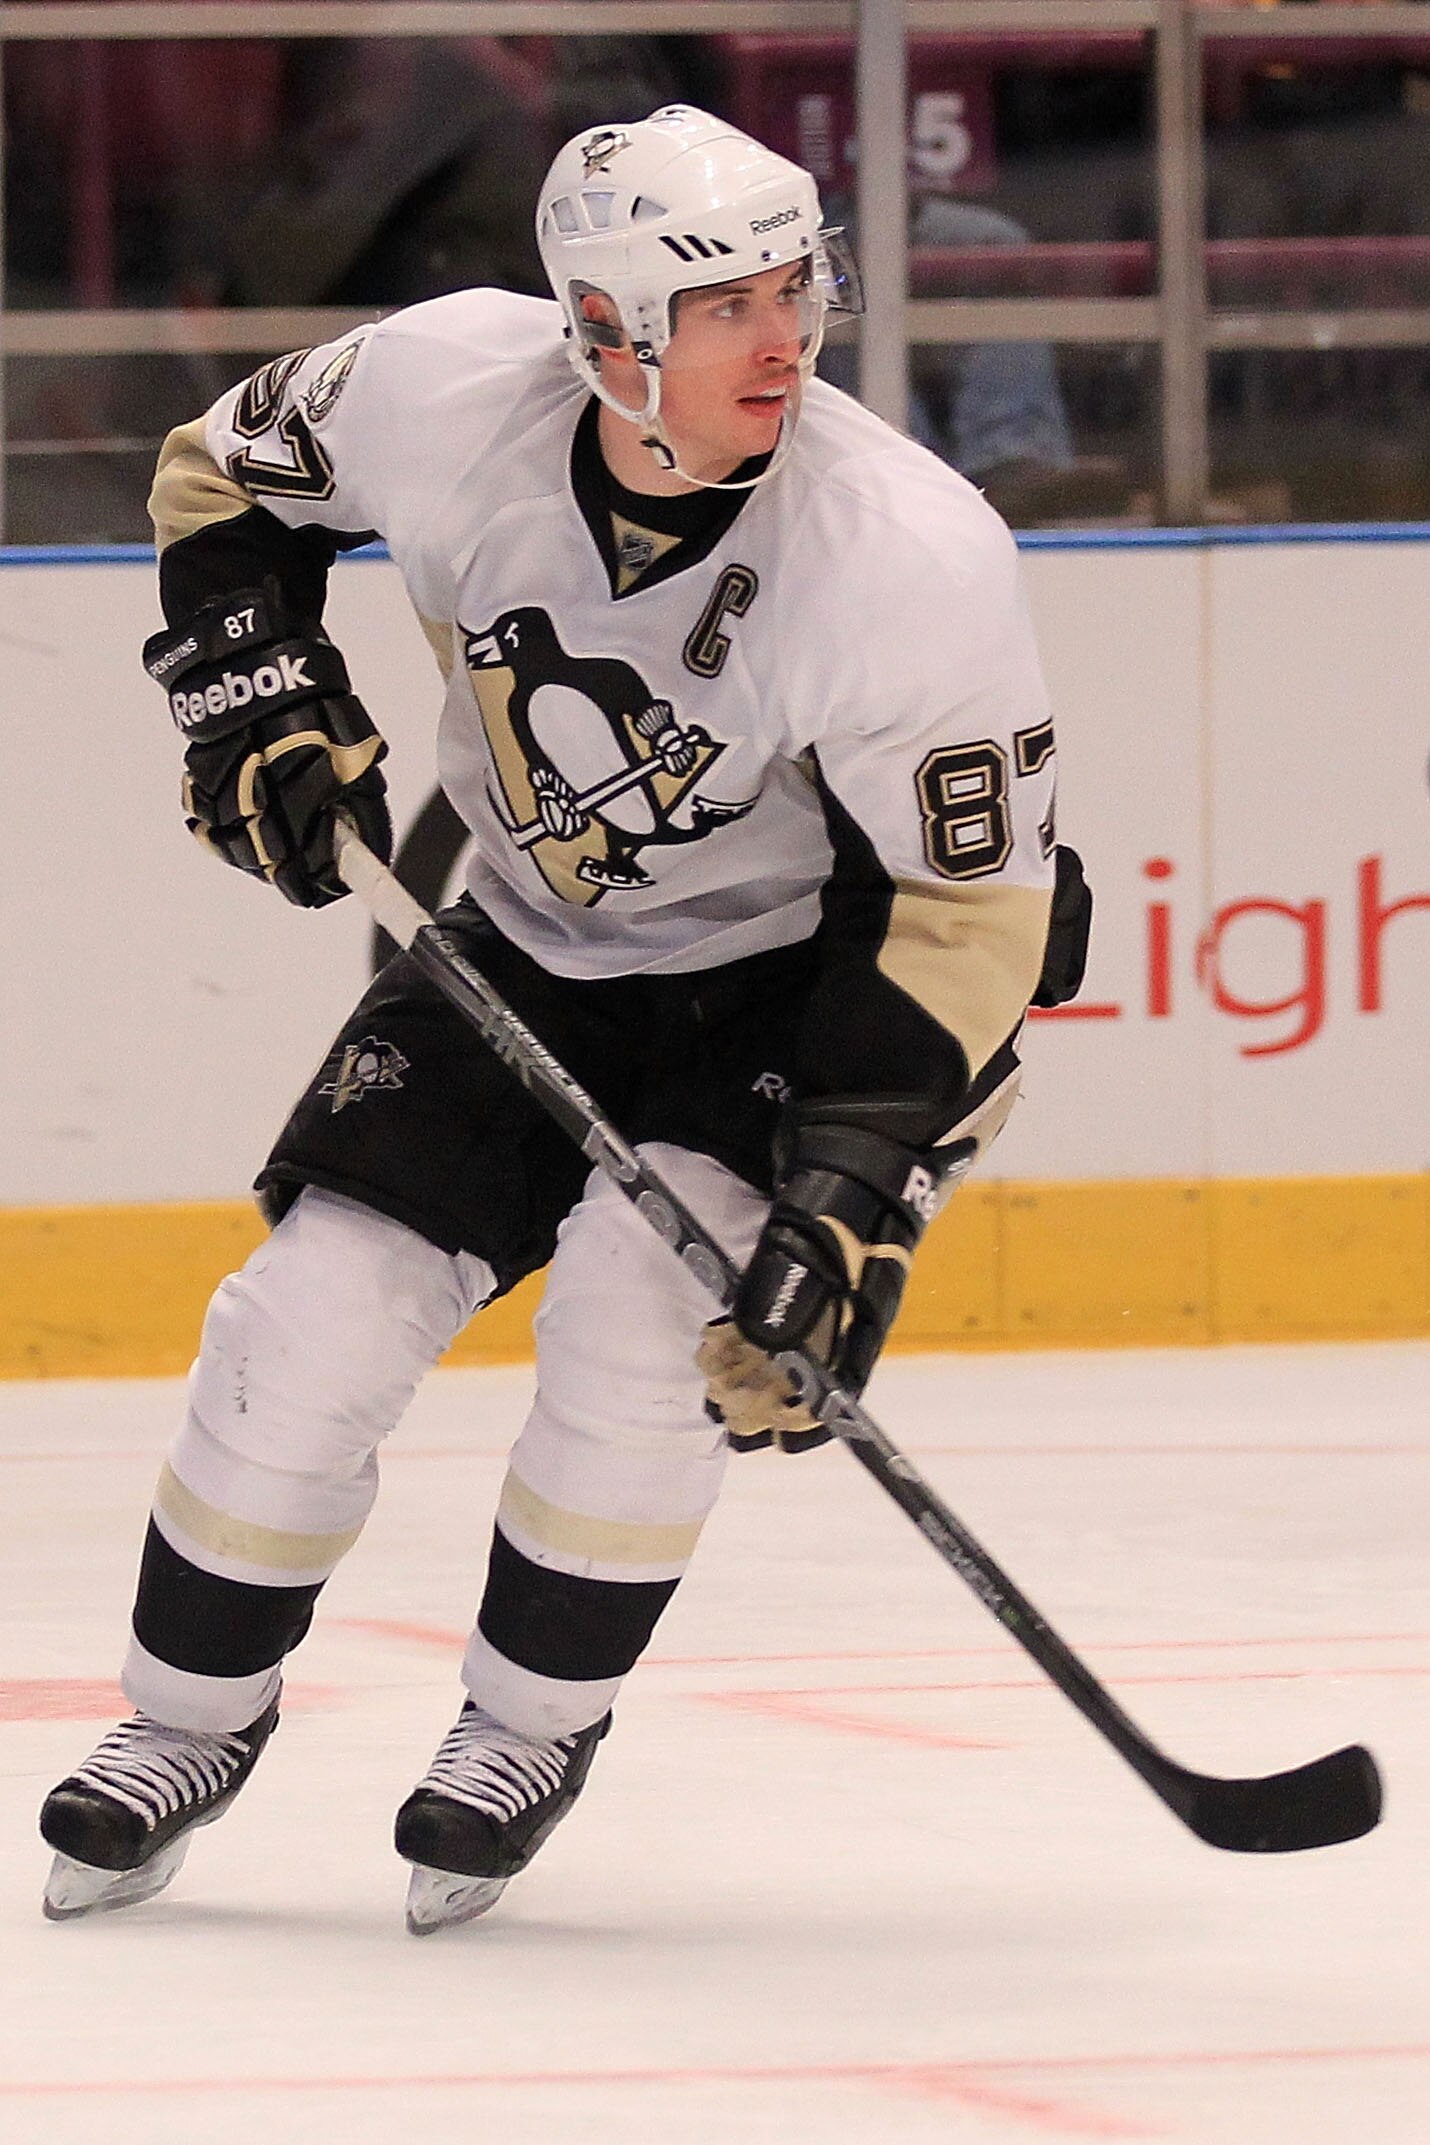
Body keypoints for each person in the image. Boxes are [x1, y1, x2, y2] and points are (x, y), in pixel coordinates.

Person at [38, 105, 1088, 1935]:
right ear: (601, 330)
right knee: (308, 1318)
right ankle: (180, 1721)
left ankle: (525, 1727)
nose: (783, 336)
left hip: (795, 977)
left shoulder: (907, 554)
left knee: (640, 1335)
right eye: (722, 305)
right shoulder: (443, 385)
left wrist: (843, 1194)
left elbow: (967, 909)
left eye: (795, 285)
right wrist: (257, 705)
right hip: (523, 934)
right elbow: (219, 478)